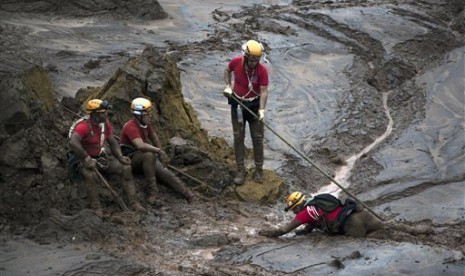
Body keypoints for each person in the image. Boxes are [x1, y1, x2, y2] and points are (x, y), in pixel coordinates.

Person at [69, 99, 146, 216]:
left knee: (125, 168)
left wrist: (120, 157)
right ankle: (96, 207)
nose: (106, 114)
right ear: (95, 114)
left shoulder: (105, 124)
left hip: (100, 156)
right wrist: (86, 159)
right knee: (91, 175)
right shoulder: (83, 126)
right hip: (83, 158)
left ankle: (133, 203)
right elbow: (74, 142)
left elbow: (112, 142)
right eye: (104, 112)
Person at [119, 97, 195, 205]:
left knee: (165, 172)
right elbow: (140, 145)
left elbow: (154, 137)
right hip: (131, 158)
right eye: (147, 113)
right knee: (149, 155)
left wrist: (161, 152)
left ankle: (188, 194)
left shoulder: (145, 124)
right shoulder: (130, 126)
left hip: (143, 157)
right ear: (139, 114)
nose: (149, 115)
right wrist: (158, 151)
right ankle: (153, 192)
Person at [258, 191, 433, 238]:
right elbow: (316, 221)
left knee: (378, 237)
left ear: (296, 207)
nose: (294, 212)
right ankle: (419, 230)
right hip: (358, 213)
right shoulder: (317, 200)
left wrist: (263, 232)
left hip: (350, 226)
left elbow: (282, 230)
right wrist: (306, 230)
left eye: (293, 209)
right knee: (386, 226)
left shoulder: (304, 214)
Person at [223, 39, 269, 185]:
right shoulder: (236, 62)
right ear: (246, 56)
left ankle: (259, 169)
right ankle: (241, 170)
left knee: (258, 138)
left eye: (256, 60)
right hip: (238, 104)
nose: (253, 63)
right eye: (251, 60)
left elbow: (264, 91)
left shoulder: (262, 70)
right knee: (238, 137)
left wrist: (261, 110)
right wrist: (228, 86)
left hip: (254, 105)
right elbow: (227, 70)